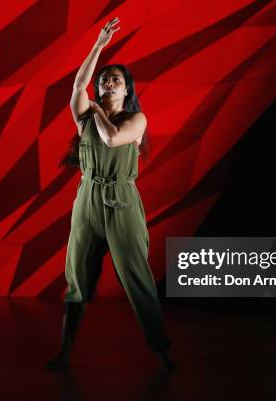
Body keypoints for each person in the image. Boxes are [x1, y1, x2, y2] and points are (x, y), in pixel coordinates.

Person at [46, 18, 175, 371]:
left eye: (115, 79)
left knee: (137, 277)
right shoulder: (85, 115)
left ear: (127, 89)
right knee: (76, 280)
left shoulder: (136, 120)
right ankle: (65, 353)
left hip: (122, 202)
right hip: (87, 198)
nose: (108, 82)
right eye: (104, 79)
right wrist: (99, 45)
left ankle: (161, 350)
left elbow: (111, 139)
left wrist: (100, 109)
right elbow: (77, 85)